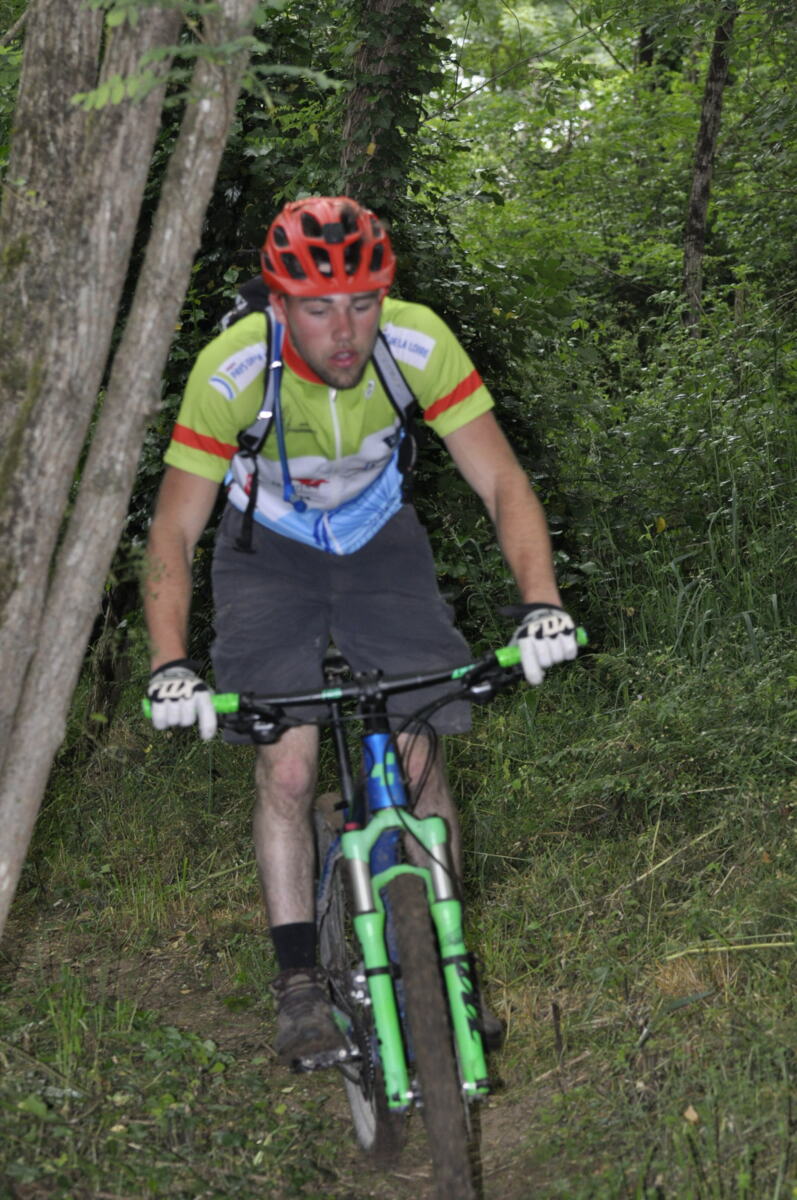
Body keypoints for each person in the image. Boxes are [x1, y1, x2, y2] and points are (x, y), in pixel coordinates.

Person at [144, 195, 577, 1067]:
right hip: (266, 546)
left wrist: (541, 603)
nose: (344, 332)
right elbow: (172, 533)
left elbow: (501, 482)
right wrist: (170, 663)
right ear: (279, 305)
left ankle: (449, 968)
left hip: (379, 537)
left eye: (362, 302)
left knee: (418, 752)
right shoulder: (233, 371)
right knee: (289, 763)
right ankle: (299, 980)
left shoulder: (416, 342)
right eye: (317, 308)